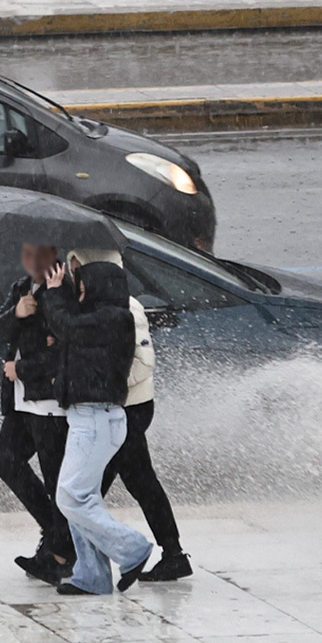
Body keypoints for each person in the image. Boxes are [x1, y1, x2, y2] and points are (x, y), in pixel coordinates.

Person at [67, 249, 192, 582]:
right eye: (73, 269)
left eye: (80, 269)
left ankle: (69, 553)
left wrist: (106, 383)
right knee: (137, 480)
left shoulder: (128, 308)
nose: (75, 276)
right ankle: (173, 553)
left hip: (129, 409)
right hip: (112, 409)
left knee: (87, 487)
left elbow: (144, 361)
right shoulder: (89, 304)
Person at [42, 258, 154, 595]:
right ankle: (92, 576)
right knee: (82, 498)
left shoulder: (115, 318)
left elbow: (68, 326)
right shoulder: (99, 319)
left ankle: (132, 548)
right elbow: (70, 330)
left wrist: (52, 295)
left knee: (71, 497)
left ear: (99, 287)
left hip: (97, 419)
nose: (79, 295)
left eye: (82, 289)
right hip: (89, 418)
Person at [0, 243, 73, 585]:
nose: (31, 262)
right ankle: (55, 536)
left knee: (58, 483)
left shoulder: (65, 290)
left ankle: (61, 554)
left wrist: (22, 368)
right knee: (6, 460)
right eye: (25, 254)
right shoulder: (22, 288)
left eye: (38, 255)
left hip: (51, 403)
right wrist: (18, 313)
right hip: (22, 401)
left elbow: (68, 348)